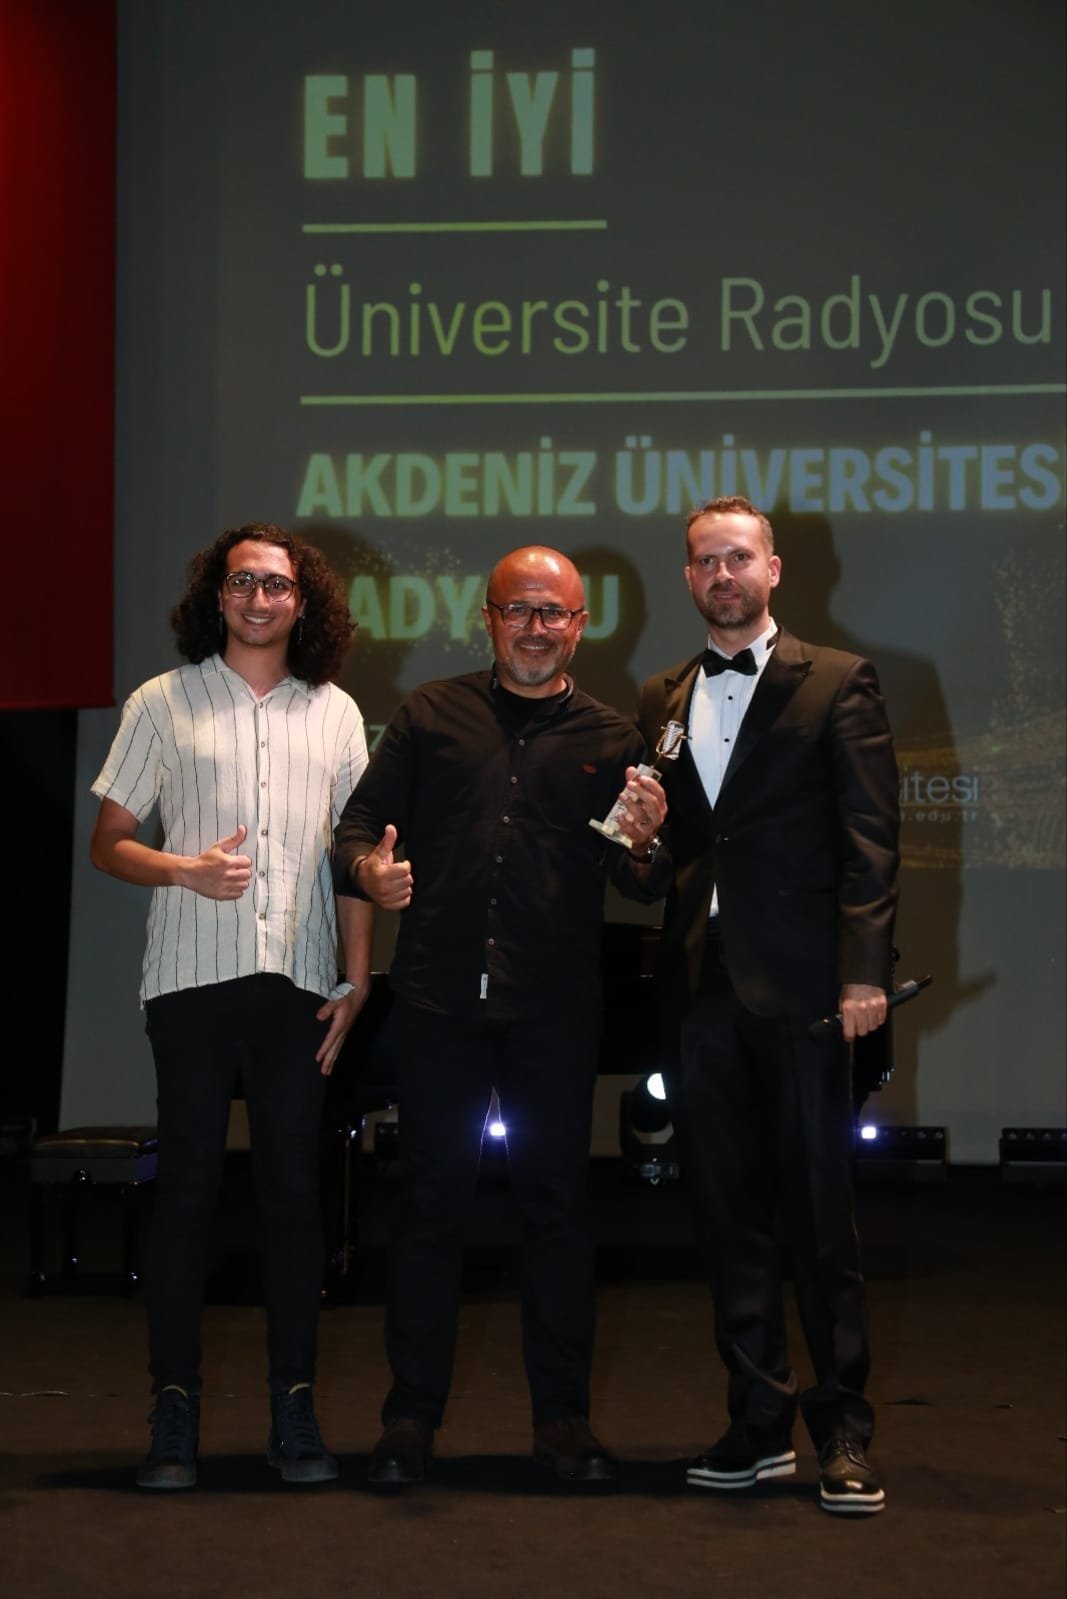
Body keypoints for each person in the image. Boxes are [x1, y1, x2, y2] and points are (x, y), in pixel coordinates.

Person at [333, 545, 668, 1486]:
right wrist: (368, 870)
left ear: (580, 626)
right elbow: (355, 829)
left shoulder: (612, 736)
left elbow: (640, 881)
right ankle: (408, 1420)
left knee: (557, 1214)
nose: (534, 627)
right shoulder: (428, 715)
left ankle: (562, 1423)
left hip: (552, 1012)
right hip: (437, 1003)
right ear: (486, 618)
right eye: (517, 609)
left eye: (553, 612)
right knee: (428, 1210)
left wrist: (646, 848)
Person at [90, 522, 374, 1490]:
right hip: (190, 983)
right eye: (243, 582)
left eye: (277, 585)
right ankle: (173, 1409)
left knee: (294, 1194)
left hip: (299, 987)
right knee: (189, 1193)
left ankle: (293, 1407)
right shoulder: (161, 702)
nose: (259, 598)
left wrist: (356, 978)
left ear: (304, 601)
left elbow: (353, 858)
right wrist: (184, 868)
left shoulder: (335, 712)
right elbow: (109, 842)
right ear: (217, 596)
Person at [636, 495, 900, 1515]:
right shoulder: (661, 695)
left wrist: (863, 972)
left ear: (772, 569)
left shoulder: (836, 680)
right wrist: (633, 842)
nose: (722, 573)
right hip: (699, 989)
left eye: (737, 556)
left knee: (818, 1217)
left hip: (802, 992)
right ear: (687, 577)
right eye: (704, 560)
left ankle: (841, 1429)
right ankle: (756, 1421)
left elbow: (869, 840)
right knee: (725, 1213)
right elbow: (664, 855)